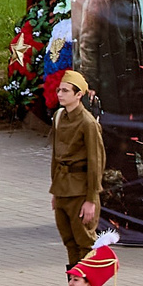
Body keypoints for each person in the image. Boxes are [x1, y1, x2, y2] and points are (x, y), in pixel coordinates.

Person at [49, 71, 105, 265]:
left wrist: (91, 199)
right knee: (69, 242)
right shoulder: (58, 117)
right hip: (62, 188)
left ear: (78, 94)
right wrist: (55, 191)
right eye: (59, 90)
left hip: (80, 191)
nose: (60, 94)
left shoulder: (88, 123)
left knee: (85, 243)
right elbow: (56, 157)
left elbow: (96, 162)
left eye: (65, 90)